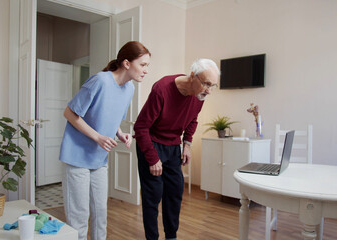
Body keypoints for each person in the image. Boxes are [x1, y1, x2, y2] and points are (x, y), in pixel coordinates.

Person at [59, 41, 151, 240]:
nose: (145, 71)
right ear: (127, 63)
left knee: (101, 214)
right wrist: (98, 137)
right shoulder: (100, 81)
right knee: (79, 218)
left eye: (147, 66)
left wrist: (120, 133)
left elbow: (111, 116)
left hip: (99, 159)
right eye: (142, 65)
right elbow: (70, 113)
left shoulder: (129, 89)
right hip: (77, 157)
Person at [134, 58, 220, 240]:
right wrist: (152, 158)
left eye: (213, 86)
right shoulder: (162, 89)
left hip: (173, 146)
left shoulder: (199, 96)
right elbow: (141, 127)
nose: (209, 91)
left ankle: (171, 237)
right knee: (153, 197)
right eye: (206, 84)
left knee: (174, 193)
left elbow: (192, 120)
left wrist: (187, 144)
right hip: (151, 143)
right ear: (192, 76)